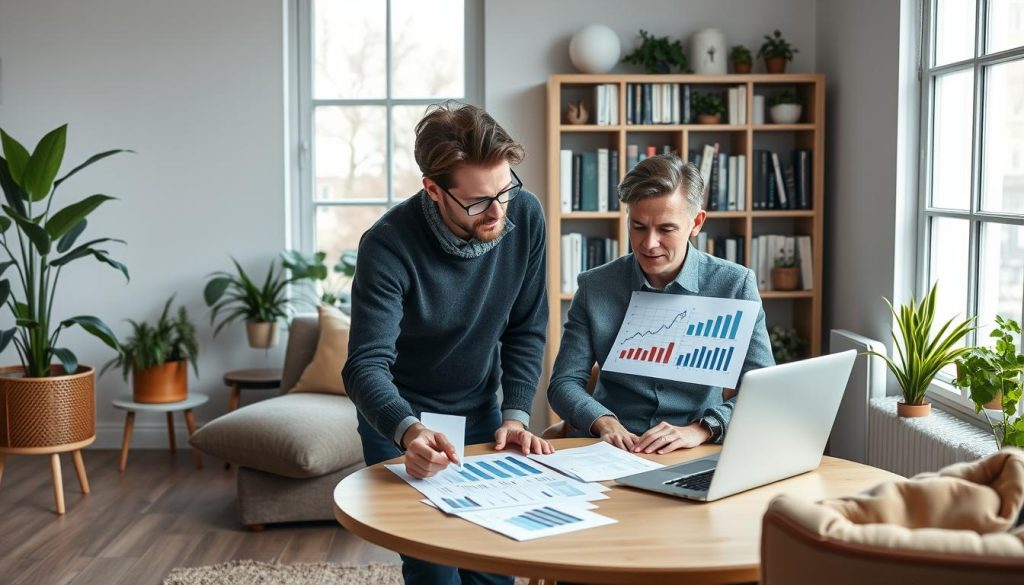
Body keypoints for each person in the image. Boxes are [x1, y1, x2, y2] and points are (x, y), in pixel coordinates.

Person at [342, 101, 551, 585]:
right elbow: (364, 366)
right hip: (399, 416)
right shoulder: (388, 244)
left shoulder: (526, 216)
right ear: (432, 189)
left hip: (479, 411)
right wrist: (409, 432)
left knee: (493, 566)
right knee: (434, 568)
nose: (499, 211)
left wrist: (516, 414)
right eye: (478, 201)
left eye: (505, 190)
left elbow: (526, 328)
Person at [548, 154, 774, 455]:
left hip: (694, 450)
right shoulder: (595, 287)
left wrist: (702, 429)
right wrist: (603, 421)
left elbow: (763, 391)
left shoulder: (734, 286)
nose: (648, 243)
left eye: (665, 229)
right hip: (610, 449)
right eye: (638, 227)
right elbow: (564, 383)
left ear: (696, 223)